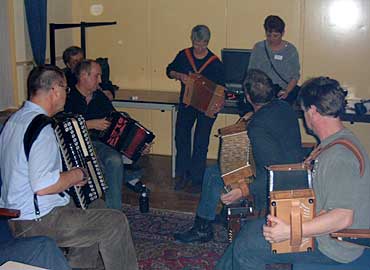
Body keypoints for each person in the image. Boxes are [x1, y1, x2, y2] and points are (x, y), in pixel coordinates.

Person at [216, 77, 370, 269]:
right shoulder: (337, 140)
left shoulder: (339, 157)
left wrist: (290, 231)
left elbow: (342, 217)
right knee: (248, 233)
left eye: (304, 111)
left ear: (313, 111)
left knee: (247, 248)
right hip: (317, 224)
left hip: (333, 245)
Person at [0, 65, 138, 270]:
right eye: (65, 89)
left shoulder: (15, 120)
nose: (67, 93)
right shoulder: (42, 128)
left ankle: (78, 266)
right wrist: (76, 174)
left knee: (96, 207)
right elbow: (43, 185)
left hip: (16, 215)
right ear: (55, 90)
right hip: (37, 221)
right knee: (114, 222)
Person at [174, 69, 304, 243]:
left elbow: (271, 172)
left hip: (280, 179)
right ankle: (222, 214)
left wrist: (242, 190)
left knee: (213, 174)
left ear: (248, 97)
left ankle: (202, 229)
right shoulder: (283, 106)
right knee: (221, 168)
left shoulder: (257, 127)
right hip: (296, 167)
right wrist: (253, 115)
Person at [166, 24, 225, 193]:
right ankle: (183, 175)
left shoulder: (215, 63)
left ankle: (197, 179)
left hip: (206, 107)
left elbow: (222, 88)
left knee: (201, 141)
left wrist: (219, 102)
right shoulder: (184, 56)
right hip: (187, 104)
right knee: (181, 137)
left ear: (208, 42)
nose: (199, 47)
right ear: (192, 40)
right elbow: (169, 70)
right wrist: (179, 76)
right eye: (196, 43)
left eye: (203, 44)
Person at [248, 15, 300, 104]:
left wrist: (287, 91)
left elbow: (295, 76)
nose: (271, 39)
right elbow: (251, 72)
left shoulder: (290, 50)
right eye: (268, 35)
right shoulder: (259, 48)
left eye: (275, 36)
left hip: (283, 91)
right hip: (262, 92)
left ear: (283, 33)